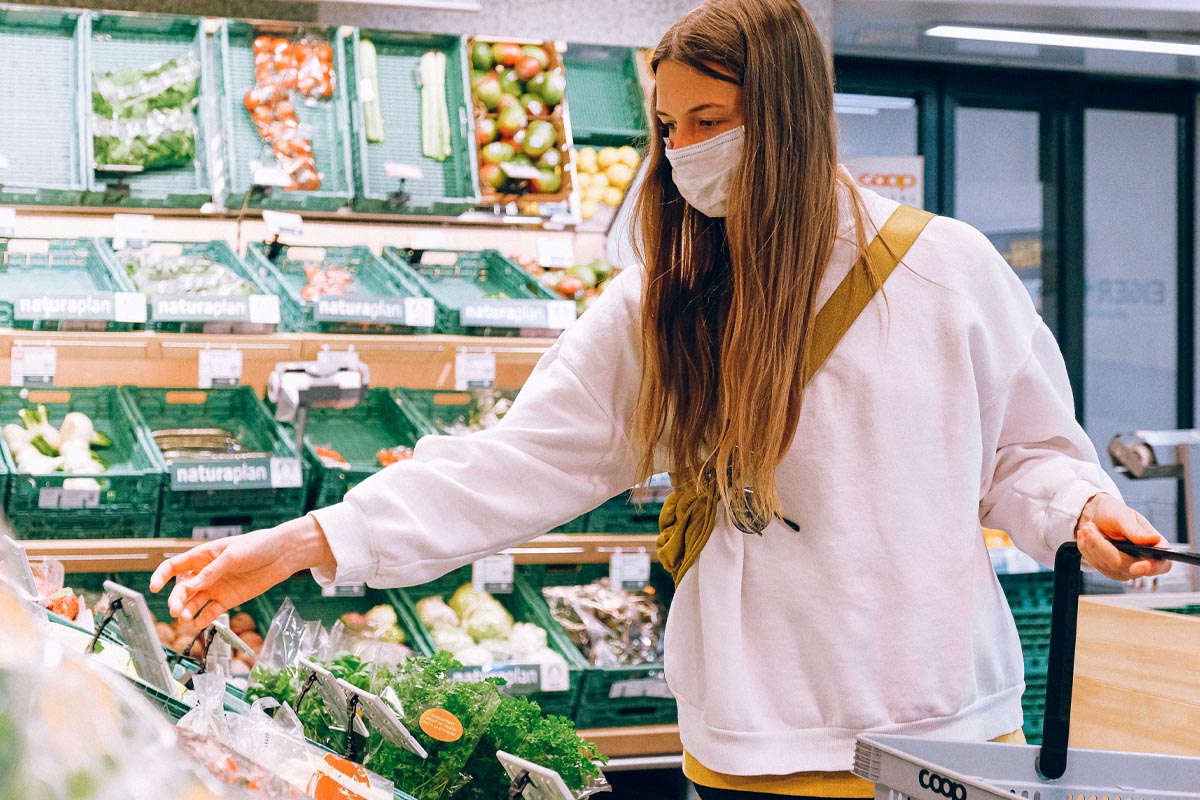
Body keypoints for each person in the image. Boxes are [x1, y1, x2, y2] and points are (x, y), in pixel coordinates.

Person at [152, 1, 1171, 797]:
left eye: (710, 122)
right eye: (669, 127)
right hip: (749, 736)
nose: (683, 153)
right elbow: (516, 463)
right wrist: (306, 540)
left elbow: (1026, 454)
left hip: (940, 726)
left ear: (789, 118)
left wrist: (1081, 512)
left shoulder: (948, 272)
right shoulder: (666, 302)